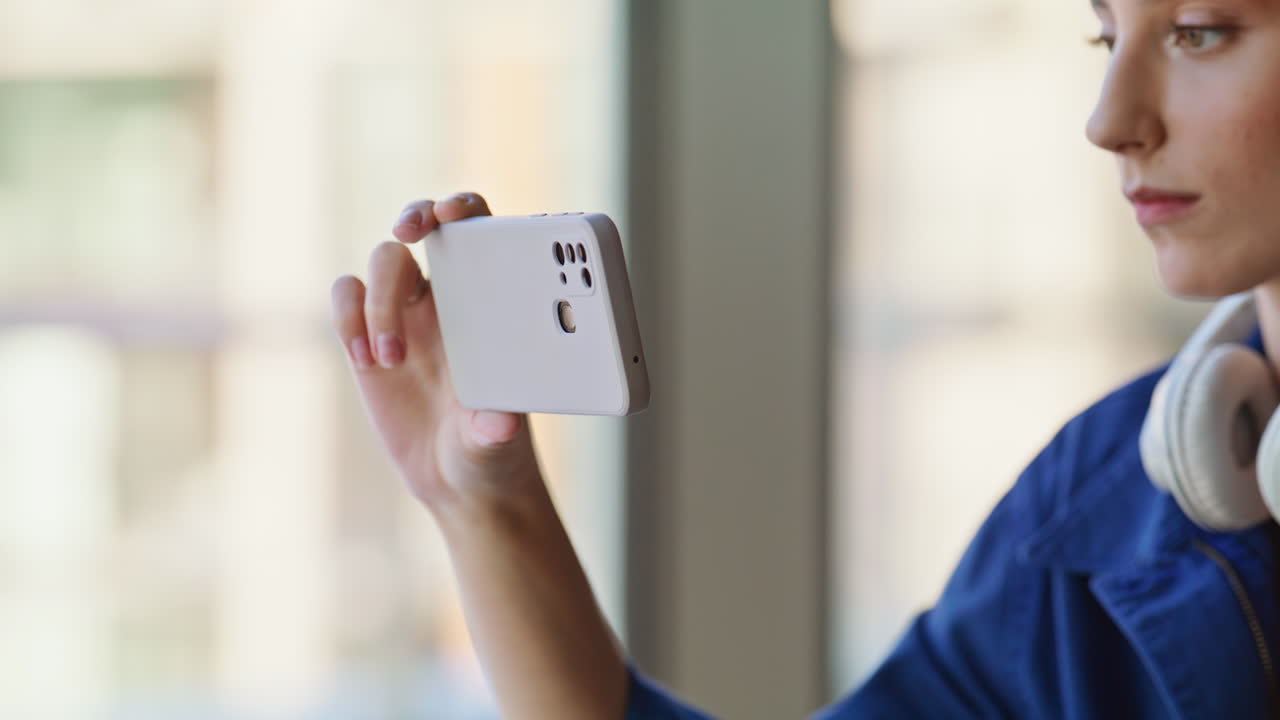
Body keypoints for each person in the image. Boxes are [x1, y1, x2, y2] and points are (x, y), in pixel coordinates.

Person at [327, 0, 1280, 717]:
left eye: (1198, 29)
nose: (1111, 119)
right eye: (1104, 35)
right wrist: (484, 505)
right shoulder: (1111, 495)